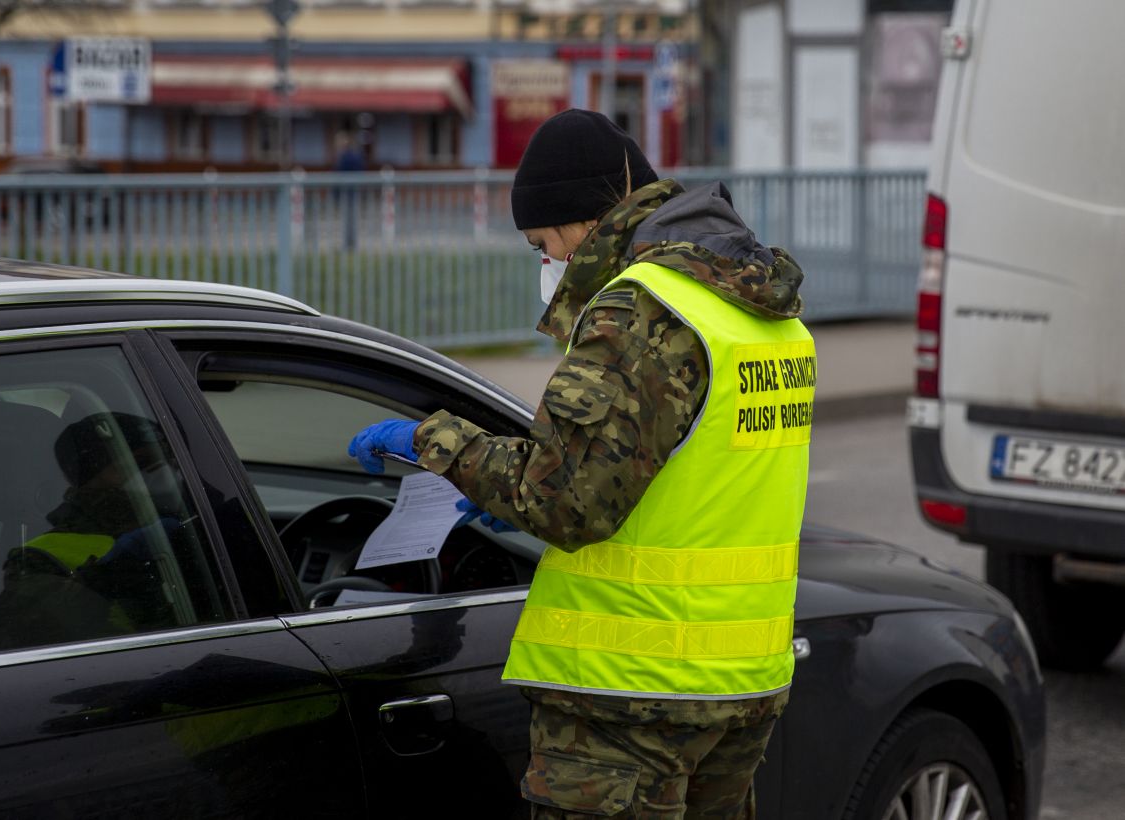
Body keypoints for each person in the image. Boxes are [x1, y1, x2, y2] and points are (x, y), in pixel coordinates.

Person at [348, 109, 815, 818]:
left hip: (632, 694)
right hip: (741, 680)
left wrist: (435, 445)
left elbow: (566, 501)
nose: (547, 261)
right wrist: (500, 483)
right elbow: (690, 479)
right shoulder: (759, 311)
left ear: (585, 223)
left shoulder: (640, 314)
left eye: (543, 242)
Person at [0, 412, 186, 650]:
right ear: (92, 476)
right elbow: (20, 640)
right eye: (141, 465)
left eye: (169, 460)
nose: (163, 474)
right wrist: (97, 582)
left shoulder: (193, 525)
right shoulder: (37, 558)